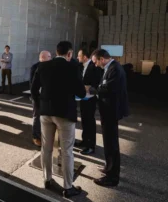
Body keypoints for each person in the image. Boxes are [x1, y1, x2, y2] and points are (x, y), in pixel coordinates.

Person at [32, 41, 86, 198]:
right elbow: (81, 93)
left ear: (56, 52)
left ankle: (47, 179)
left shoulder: (42, 66)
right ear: (69, 53)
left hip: (45, 113)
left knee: (46, 148)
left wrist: (39, 105)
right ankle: (68, 188)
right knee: (67, 151)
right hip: (64, 114)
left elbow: (34, 89)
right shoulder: (72, 67)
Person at [91, 49, 129, 187]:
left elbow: (108, 88)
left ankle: (112, 177)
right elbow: (105, 85)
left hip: (111, 111)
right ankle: (109, 167)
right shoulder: (111, 67)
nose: (95, 65)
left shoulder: (115, 69)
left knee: (112, 143)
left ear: (102, 59)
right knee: (108, 142)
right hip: (108, 111)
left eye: (96, 62)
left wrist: (94, 90)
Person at [75, 49, 103, 155]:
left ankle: (91, 146)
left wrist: (89, 88)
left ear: (85, 57)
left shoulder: (94, 67)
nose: (77, 58)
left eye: (79, 56)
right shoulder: (82, 66)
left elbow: (98, 83)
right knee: (84, 120)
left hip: (90, 98)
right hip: (83, 98)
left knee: (89, 121)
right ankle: (84, 141)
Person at [30, 50, 51, 147]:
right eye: (49, 56)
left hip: (46, 97)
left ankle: (44, 135)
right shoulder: (35, 67)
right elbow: (33, 85)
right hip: (37, 97)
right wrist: (36, 99)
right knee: (37, 117)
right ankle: (36, 137)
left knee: (46, 118)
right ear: (43, 57)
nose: (51, 58)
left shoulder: (50, 67)